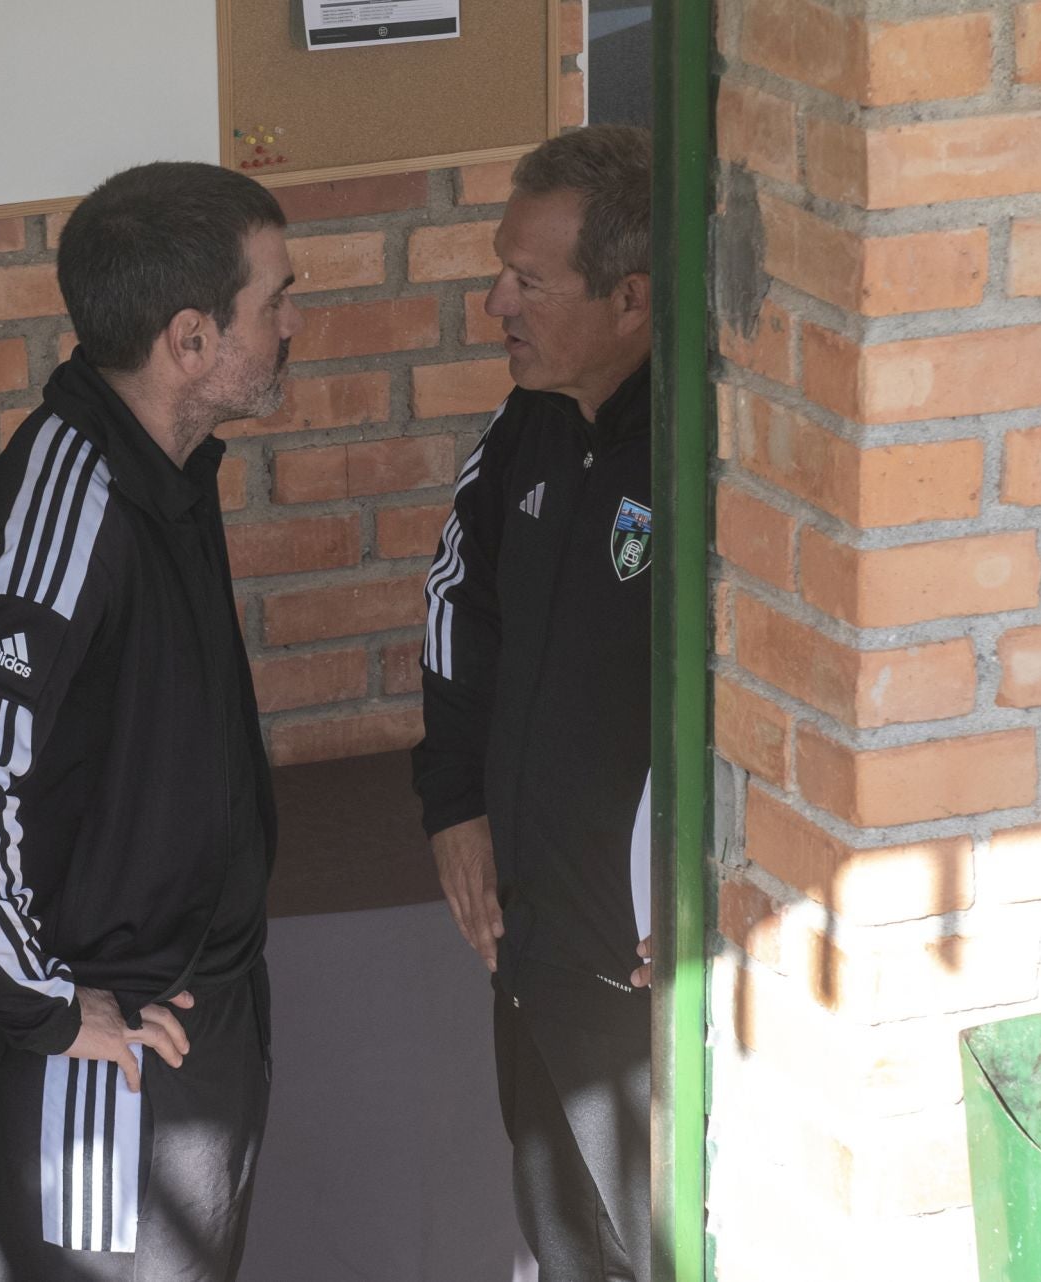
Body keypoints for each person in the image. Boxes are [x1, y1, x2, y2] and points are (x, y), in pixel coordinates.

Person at [0, 160, 302, 1281]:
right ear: (190, 338)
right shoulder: (73, 503)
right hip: (104, 1057)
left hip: (186, 1024)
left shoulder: (163, 470)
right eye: (274, 302)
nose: (288, 327)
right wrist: (50, 1006)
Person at [410, 124, 657, 1282]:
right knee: (564, 1243)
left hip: (650, 967)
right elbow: (462, 603)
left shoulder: (711, 441)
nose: (493, 299)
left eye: (528, 279)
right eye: (499, 265)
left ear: (630, 300)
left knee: (653, 1244)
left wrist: (695, 891)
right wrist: (455, 798)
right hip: (531, 940)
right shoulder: (529, 422)